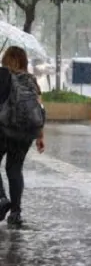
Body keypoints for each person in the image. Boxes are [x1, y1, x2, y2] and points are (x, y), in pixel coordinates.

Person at [0, 46, 45, 226]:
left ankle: (2, 198)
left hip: (3, 130)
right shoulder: (31, 80)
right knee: (14, 169)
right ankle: (16, 212)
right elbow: (39, 109)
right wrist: (40, 136)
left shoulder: (2, 76)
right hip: (25, 133)